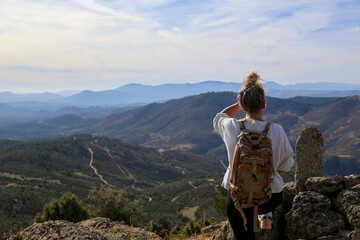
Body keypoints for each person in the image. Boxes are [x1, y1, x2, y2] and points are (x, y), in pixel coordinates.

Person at [213, 70, 294, 240]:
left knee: (243, 231)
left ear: (242, 105)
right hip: (270, 197)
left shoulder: (231, 127)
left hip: (238, 196)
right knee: (261, 197)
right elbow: (286, 166)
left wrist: (239, 105)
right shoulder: (277, 130)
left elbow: (219, 117)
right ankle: (265, 216)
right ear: (264, 104)